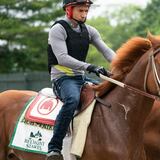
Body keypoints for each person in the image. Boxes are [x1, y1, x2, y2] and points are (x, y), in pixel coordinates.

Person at [46, 0, 116, 159]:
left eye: (86, 11)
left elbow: (106, 51)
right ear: (69, 9)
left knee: (111, 94)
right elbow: (62, 58)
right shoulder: (58, 29)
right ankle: (54, 148)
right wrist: (91, 66)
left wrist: (124, 65)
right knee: (72, 99)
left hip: (81, 78)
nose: (84, 14)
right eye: (81, 11)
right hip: (62, 79)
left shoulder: (90, 31)